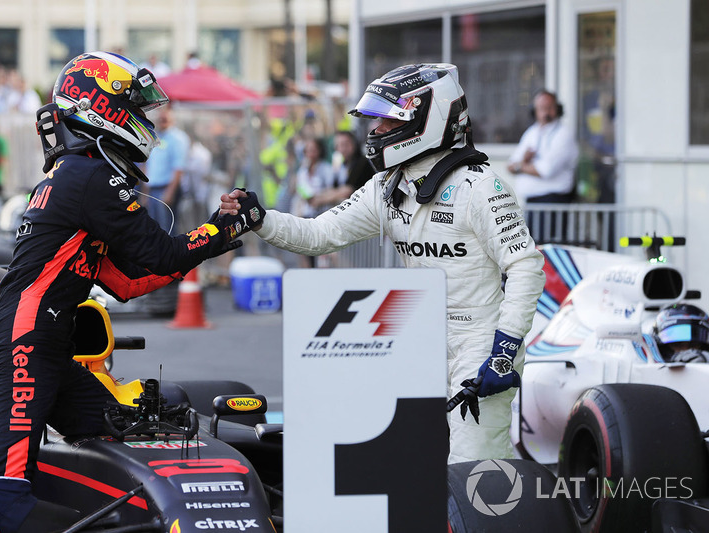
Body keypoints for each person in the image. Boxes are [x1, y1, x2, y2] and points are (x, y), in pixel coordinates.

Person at [0, 51, 264, 533]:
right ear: (99, 107)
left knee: (120, 424)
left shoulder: (78, 174)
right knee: (5, 497)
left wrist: (217, 238)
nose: (144, 118)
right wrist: (221, 227)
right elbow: (165, 254)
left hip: (42, 346)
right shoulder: (90, 176)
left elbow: (126, 282)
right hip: (23, 344)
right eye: (134, 105)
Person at [221, 63, 545, 463]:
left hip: (481, 341)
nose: (373, 134)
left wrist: (504, 349)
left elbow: (526, 266)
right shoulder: (385, 186)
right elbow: (320, 235)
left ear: (427, 121)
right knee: (414, 463)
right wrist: (260, 218)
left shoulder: (482, 187)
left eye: (386, 123)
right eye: (374, 122)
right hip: (419, 338)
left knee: (473, 463)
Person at [506, 89, 579, 204]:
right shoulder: (531, 132)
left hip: (554, 202)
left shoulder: (563, 134)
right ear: (534, 111)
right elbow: (510, 166)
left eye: (549, 107)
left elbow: (546, 170)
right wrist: (524, 161)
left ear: (558, 109)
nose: (546, 112)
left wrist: (520, 166)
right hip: (532, 202)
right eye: (541, 108)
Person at [142, 106, 190, 234]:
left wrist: (170, 192)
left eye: (165, 118)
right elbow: (148, 165)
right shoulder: (155, 136)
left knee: (167, 229)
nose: (162, 120)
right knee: (154, 228)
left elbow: (179, 168)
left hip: (166, 188)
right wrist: (145, 191)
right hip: (153, 189)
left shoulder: (178, 138)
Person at [309, 129, 374, 207]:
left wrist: (322, 200)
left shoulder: (362, 162)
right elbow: (334, 188)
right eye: (339, 145)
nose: (342, 149)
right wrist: (318, 197)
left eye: (346, 144)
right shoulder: (341, 164)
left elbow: (347, 190)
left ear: (354, 144)